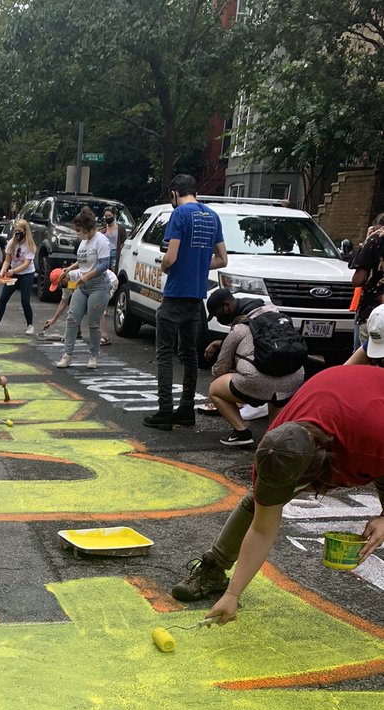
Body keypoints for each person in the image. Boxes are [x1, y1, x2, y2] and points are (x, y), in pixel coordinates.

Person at [171, 365, 384, 620]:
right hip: (344, 406)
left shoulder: (371, 437)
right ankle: (213, 569)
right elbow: (262, 528)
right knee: (256, 502)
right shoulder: (276, 446)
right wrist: (232, 595)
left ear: (317, 471)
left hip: (369, 421)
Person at [144, 174, 227, 431]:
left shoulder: (179, 215)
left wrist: (165, 265)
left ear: (174, 193)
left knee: (165, 354)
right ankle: (186, 409)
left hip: (175, 294)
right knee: (189, 353)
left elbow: (171, 256)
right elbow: (222, 259)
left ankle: (165, 411)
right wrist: (200, 267)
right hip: (196, 298)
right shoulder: (212, 217)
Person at [204, 287, 305, 449]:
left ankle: (241, 432)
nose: (218, 318)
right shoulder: (277, 316)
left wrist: (227, 366)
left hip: (256, 383)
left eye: (217, 314)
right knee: (273, 431)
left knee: (215, 389)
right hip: (292, 379)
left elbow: (220, 370)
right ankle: (273, 441)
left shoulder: (239, 329)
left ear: (226, 307)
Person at [56, 208, 111, 370]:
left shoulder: (101, 241)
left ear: (88, 229)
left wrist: (86, 276)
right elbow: (82, 261)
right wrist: (70, 269)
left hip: (98, 285)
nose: (78, 234)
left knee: (93, 323)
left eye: (79, 231)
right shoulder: (84, 242)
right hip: (82, 285)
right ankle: (67, 354)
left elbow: (104, 264)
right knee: (72, 318)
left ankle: (93, 355)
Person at [0, 219, 36, 334]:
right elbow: (7, 260)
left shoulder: (30, 245)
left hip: (26, 274)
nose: (17, 233)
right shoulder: (11, 243)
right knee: (3, 298)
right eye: (16, 230)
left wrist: (13, 271)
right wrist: (3, 271)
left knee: (25, 301)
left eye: (20, 230)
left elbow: (26, 264)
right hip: (13, 273)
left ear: (25, 231)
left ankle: (30, 325)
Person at [351, 213, 384, 349]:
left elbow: (358, 279)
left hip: (372, 312)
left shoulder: (375, 240)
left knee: (362, 360)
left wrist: (366, 241)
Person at [99, 207, 125, 346]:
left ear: (114, 215)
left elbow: (123, 242)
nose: (107, 218)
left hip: (115, 254)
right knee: (104, 278)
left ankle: (109, 302)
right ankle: (105, 306)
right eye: (105, 215)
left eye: (109, 215)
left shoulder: (120, 228)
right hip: (105, 255)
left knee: (112, 280)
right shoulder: (103, 229)